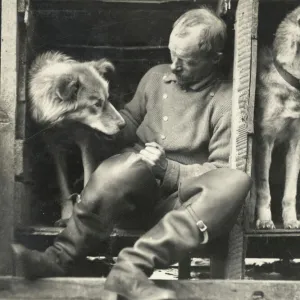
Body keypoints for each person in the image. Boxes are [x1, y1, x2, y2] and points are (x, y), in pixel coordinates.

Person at [13, 7, 251, 300]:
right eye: (172, 54)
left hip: (178, 206)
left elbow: (218, 167)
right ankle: (57, 258)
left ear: (214, 59)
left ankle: (131, 270)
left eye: (186, 61)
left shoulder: (225, 100)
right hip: (130, 195)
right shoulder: (155, 77)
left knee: (236, 181)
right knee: (128, 165)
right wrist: (88, 122)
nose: (174, 66)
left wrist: (169, 169)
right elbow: (123, 127)